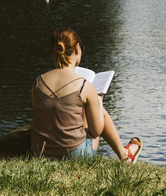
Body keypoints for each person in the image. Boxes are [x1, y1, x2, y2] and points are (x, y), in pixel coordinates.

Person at [30, 27, 142, 163]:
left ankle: (125, 154)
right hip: (75, 155)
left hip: (40, 152)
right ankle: (125, 155)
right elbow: (96, 132)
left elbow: (40, 117)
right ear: (77, 48)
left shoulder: (38, 82)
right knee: (99, 111)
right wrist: (98, 101)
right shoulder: (85, 85)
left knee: (79, 108)